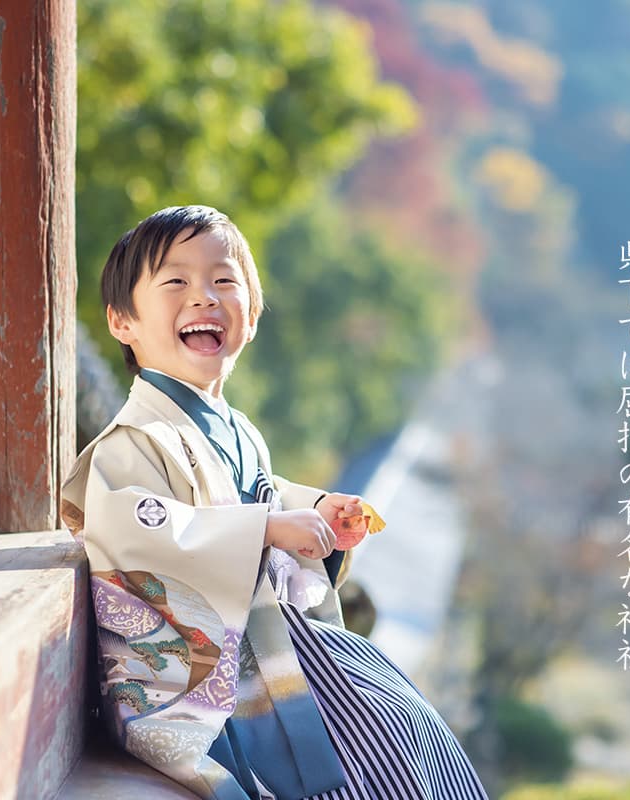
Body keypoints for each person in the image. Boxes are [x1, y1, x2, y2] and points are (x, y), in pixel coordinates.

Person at [61, 205, 487, 800]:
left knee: (410, 723)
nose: (204, 296)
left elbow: (268, 493)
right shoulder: (133, 442)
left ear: (252, 316)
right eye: (176, 281)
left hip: (268, 641)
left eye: (224, 281)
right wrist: (266, 528)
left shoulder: (239, 431)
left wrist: (319, 510)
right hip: (208, 681)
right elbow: (140, 532)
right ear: (121, 321)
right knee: (378, 737)